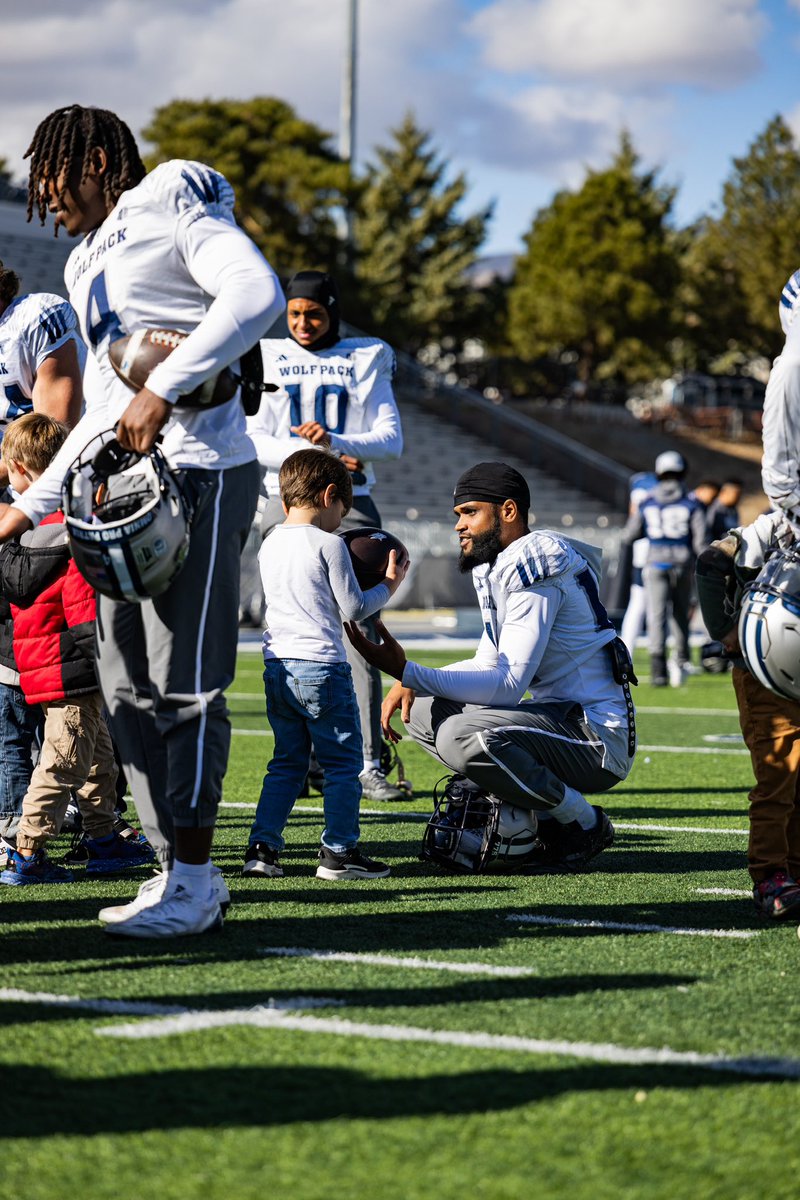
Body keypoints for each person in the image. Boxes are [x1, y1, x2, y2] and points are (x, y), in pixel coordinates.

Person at [0, 104, 284, 936]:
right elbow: (99, 413)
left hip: (198, 474)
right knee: (123, 690)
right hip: (119, 490)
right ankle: (174, 870)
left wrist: (170, 384)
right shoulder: (87, 256)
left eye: (51, 175)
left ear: (96, 158)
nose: (43, 198)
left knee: (184, 688)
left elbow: (255, 290)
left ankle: (197, 879)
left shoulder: (167, 193)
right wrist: (23, 509)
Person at [346, 462, 635, 873]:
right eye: (457, 516)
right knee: (425, 713)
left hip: (596, 737)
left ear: (509, 512)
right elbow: (488, 661)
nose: (459, 526)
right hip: (556, 719)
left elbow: (508, 686)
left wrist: (409, 672)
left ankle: (582, 822)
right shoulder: (496, 563)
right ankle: (526, 805)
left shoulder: (533, 559)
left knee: (461, 736)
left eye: (470, 513)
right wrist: (416, 681)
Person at [246, 270, 406, 803]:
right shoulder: (267, 355)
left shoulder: (365, 356)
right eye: (293, 314)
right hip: (286, 501)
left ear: (332, 310)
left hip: (350, 505)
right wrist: (320, 460)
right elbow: (252, 437)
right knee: (293, 626)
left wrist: (335, 441)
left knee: (360, 628)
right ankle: (307, 759)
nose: (302, 323)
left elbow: (390, 438)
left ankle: (365, 762)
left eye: (313, 313)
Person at [0, 413, 153, 886]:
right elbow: (83, 605)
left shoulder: (18, 533)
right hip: (74, 666)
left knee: (99, 758)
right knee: (65, 759)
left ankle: (103, 837)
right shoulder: (70, 532)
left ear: (20, 468)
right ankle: (27, 851)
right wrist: (115, 659)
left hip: (45, 665)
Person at [243, 448, 408, 882]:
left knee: (285, 763)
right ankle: (339, 852)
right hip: (322, 667)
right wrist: (389, 585)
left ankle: (262, 848)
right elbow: (353, 607)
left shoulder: (270, 541)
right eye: (342, 510)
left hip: (277, 666)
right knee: (341, 765)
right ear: (329, 494)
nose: (342, 520)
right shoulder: (329, 543)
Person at [0, 259, 84, 863]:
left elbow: (54, 432)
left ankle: (53, 812)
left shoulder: (34, 318)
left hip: (40, 514)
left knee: (57, 681)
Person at [695, 508, 800, 918]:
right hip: (765, 673)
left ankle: (792, 871)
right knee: (779, 775)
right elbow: (711, 561)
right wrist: (724, 630)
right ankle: (770, 875)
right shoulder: (773, 527)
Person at [622, 450, 706, 687]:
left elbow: (629, 535)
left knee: (656, 616)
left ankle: (658, 669)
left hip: (655, 563)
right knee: (680, 616)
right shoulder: (691, 502)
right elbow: (700, 543)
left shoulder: (648, 500)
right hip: (682, 564)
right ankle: (680, 661)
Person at [705, 478, 743, 544]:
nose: (739, 497)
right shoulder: (714, 509)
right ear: (725, 493)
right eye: (736, 494)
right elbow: (707, 533)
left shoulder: (733, 510)